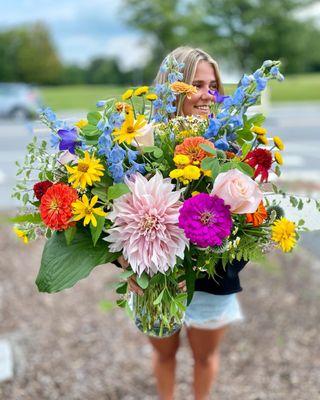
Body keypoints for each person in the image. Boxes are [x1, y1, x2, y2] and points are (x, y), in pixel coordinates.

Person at [115, 46, 247, 400]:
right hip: (155, 277)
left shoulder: (231, 145)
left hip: (213, 279)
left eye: (213, 86)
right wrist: (124, 262)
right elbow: (115, 218)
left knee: (205, 357)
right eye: (197, 84)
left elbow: (251, 223)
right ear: (173, 87)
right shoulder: (141, 143)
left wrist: (222, 247)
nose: (207, 95)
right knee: (164, 354)